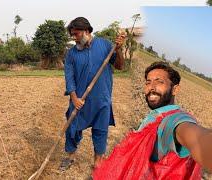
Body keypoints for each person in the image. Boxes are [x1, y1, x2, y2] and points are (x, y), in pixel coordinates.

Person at [93, 61, 212, 179]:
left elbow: (199, 139)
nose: (151, 87)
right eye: (148, 82)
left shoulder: (173, 121)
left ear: (175, 89)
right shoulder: (157, 115)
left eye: (159, 82)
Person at [61, 17, 125, 170]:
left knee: (101, 130)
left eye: (76, 34)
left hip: (101, 98)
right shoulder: (71, 54)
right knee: (72, 128)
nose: (74, 38)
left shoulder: (105, 45)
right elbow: (69, 78)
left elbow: (120, 66)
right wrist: (74, 98)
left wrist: (118, 49)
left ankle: (98, 160)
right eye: (72, 35)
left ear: (87, 31)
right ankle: (70, 156)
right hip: (80, 100)